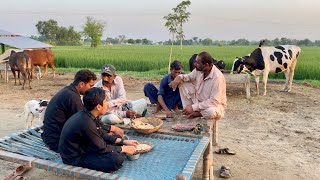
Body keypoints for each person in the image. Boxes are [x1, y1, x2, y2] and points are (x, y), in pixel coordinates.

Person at [41, 69, 123, 152]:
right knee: (103, 146)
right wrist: (109, 129)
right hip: (56, 141)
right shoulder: (72, 97)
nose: (91, 89)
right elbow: (87, 122)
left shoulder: (69, 91)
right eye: (90, 86)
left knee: (105, 139)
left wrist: (105, 130)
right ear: (81, 84)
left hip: (52, 135)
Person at [59, 87, 137, 172]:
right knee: (116, 159)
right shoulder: (86, 122)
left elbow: (102, 134)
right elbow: (102, 148)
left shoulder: (89, 114)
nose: (107, 104)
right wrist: (124, 149)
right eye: (105, 101)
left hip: (84, 146)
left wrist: (124, 142)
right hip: (75, 158)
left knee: (116, 138)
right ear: (99, 107)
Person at [170, 52, 227, 120]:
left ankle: (198, 113)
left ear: (206, 65)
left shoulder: (217, 78)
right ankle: (189, 110)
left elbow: (214, 101)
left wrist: (193, 107)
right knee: (181, 83)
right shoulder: (199, 70)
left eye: (197, 63)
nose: (195, 64)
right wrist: (179, 77)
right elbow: (189, 77)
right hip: (198, 100)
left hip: (213, 105)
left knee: (211, 112)